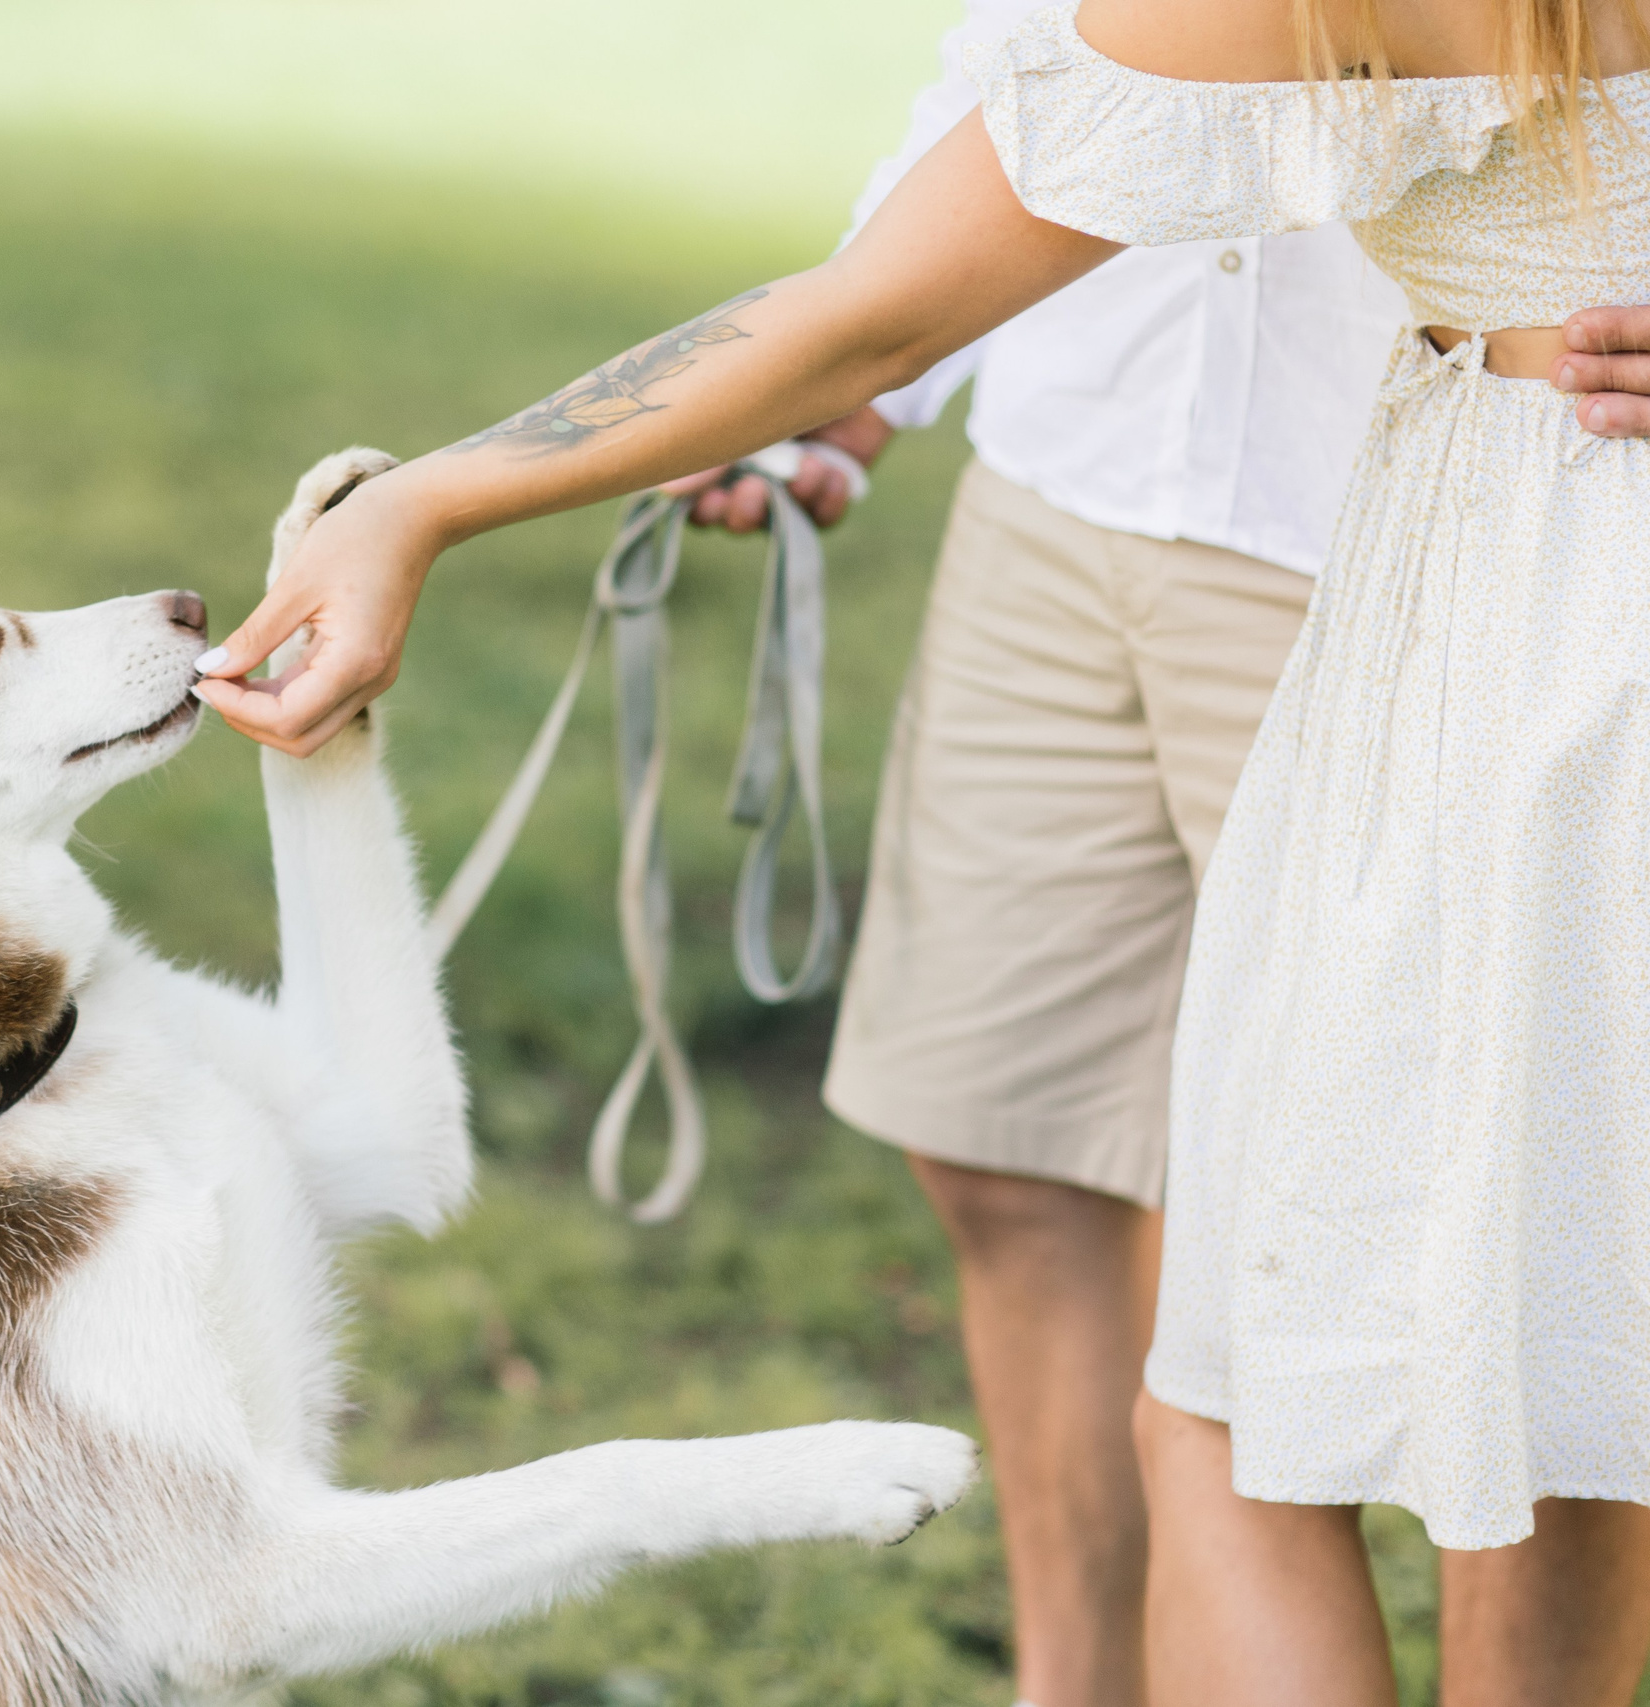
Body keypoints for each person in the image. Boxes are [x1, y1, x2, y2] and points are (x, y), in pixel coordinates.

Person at [190, 0, 1650, 1699]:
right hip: (1528, 591)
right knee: (1555, 1323)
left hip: (1526, 622)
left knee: (1246, 1416)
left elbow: (868, 315)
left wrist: (418, 502)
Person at [656, 3, 1410, 1701]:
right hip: (1062, 483)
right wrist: (862, 391)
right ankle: (1077, 1683)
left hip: (1376, 528)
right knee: (1005, 1148)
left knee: (1286, 1247)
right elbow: (1011, 72)